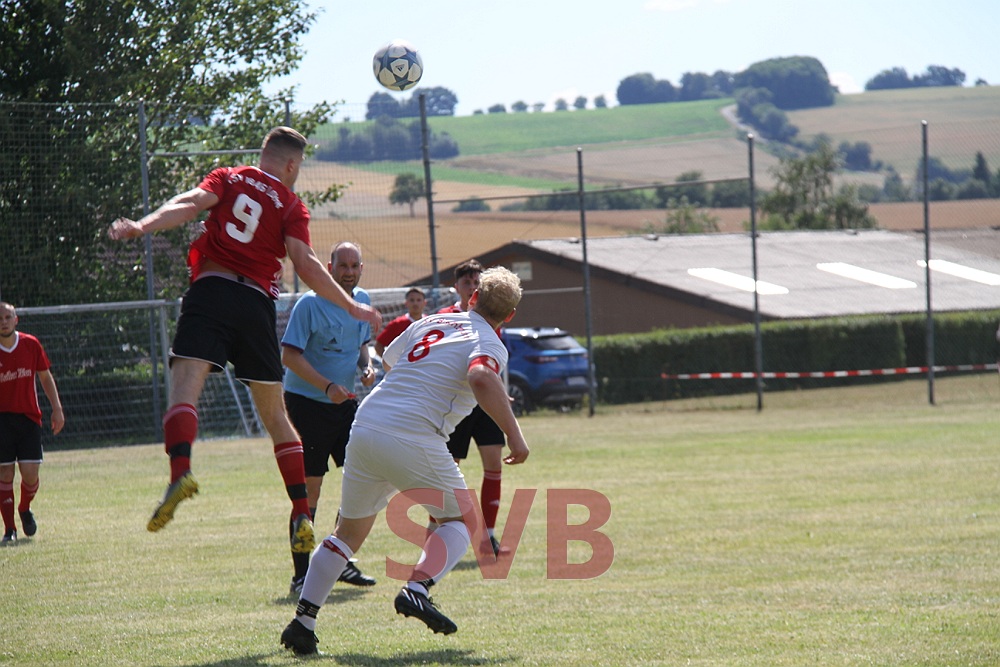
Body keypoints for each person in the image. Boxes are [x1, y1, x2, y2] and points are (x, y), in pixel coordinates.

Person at [107, 126, 382, 559]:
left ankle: (181, 472)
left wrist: (142, 225)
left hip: (212, 291)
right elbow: (305, 261)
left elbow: (189, 203)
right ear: (291, 164)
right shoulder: (290, 204)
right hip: (257, 305)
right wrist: (351, 305)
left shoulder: (229, 177)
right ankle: (301, 511)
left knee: (184, 389)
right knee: (276, 416)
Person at [280, 266, 528, 655]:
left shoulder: (431, 322)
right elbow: (481, 377)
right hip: (412, 434)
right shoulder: (490, 342)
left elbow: (392, 361)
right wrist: (515, 433)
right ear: (509, 315)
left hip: (367, 424)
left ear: (473, 297)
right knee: (462, 520)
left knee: (346, 534)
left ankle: (302, 623)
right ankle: (417, 589)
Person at [281, 241, 377, 594]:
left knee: (362, 481)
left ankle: (340, 561)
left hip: (344, 403)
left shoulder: (362, 301)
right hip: (307, 404)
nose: (348, 272)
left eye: (354, 265)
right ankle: (301, 575)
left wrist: (366, 367)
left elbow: (362, 344)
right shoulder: (309, 304)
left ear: (361, 269)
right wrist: (326, 386)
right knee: (310, 491)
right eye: (342, 265)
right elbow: (289, 356)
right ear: (329, 266)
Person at [438, 260, 509, 556]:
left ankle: (488, 537)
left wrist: (500, 392)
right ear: (456, 287)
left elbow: (488, 363)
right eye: (467, 282)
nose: (472, 287)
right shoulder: (446, 317)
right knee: (449, 469)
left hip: (484, 403)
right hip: (458, 403)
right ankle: (437, 533)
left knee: (493, 463)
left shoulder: (491, 320)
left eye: (476, 283)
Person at [0, 302, 64, 545]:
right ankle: (9, 529)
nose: (3, 322)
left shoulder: (30, 344)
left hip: (28, 418)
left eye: (8, 317)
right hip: (2, 420)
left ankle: (24, 508)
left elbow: (45, 377)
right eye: (0, 319)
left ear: (16, 320)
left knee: (30, 474)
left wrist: (57, 409)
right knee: (4, 473)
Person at [373, 286, 427, 357]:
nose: (415, 303)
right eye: (412, 300)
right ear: (406, 303)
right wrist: (389, 362)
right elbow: (379, 345)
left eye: (418, 300)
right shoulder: (398, 323)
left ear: (424, 303)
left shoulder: (429, 322)